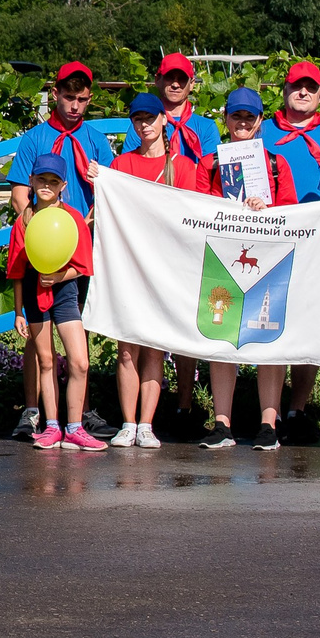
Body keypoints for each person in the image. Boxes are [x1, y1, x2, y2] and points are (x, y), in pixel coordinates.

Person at [3, 62, 121, 441]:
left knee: (77, 330)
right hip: (41, 244)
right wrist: (33, 225)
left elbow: (111, 188)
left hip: (82, 243)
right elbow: (19, 190)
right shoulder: (35, 138)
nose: (75, 105)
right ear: (55, 94)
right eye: (68, 97)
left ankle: (80, 414)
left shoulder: (95, 140)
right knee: (38, 341)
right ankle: (34, 410)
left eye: (82, 99)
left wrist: (85, 223)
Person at [196, 88, 301, 450]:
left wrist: (265, 207)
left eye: (249, 117)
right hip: (221, 261)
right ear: (225, 119)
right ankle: (222, 424)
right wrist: (222, 205)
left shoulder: (276, 164)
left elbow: (291, 216)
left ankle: (267, 425)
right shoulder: (209, 163)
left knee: (268, 338)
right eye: (236, 116)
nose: (242, 123)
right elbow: (196, 210)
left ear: (260, 122)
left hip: (268, 264)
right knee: (221, 338)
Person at [105, 92, 192, 449]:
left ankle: (146, 424)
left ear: (163, 120)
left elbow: (194, 213)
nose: (145, 125)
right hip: (130, 265)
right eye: (138, 119)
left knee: (154, 348)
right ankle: (127, 423)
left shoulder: (184, 167)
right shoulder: (122, 165)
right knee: (128, 348)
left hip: (166, 267)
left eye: (151, 118)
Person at [263, 60, 320, 440]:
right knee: (271, 322)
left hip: (316, 244)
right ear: (285, 90)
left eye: (311, 87)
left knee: (308, 326)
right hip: (270, 242)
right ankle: (269, 413)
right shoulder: (259, 133)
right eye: (297, 86)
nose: (303, 93)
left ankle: (298, 410)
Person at [8, 154, 100, 450]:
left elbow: (83, 265)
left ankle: (74, 427)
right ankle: (51, 427)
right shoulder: (23, 221)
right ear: (31, 182)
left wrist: (59, 277)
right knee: (46, 361)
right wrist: (17, 312)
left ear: (63, 185)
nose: (46, 185)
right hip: (34, 295)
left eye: (53, 181)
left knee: (80, 362)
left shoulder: (73, 218)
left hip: (65, 292)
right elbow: (18, 271)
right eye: (41, 180)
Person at [151, 54, 224, 178]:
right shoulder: (145, 125)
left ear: (192, 84)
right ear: (158, 80)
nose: (175, 84)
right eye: (169, 78)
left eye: (182, 79)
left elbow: (210, 174)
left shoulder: (207, 127)